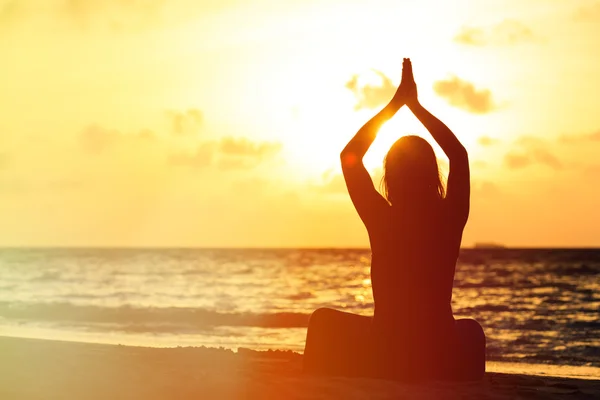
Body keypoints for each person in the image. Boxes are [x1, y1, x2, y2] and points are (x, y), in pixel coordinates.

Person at [303, 58, 485, 381]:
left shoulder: (382, 220)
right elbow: (459, 155)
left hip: (386, 351)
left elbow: (350, 157)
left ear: (390, 178)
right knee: (472, 331)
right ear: (433, 176)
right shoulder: (450, 219)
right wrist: (416, 106)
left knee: (321, 320)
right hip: (437, 351)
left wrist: (396, 104)